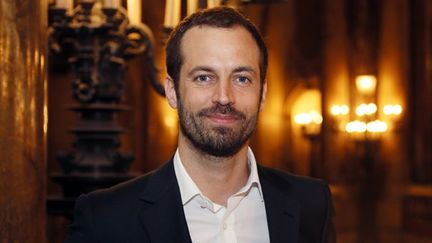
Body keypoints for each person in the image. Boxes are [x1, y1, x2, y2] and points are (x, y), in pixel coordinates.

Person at [64, 6, 335, 243]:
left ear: (262, 94)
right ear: (172, 91)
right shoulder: (106, 219)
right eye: (204, 78)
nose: (224, 97)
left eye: (241, 78)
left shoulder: (311, 204)